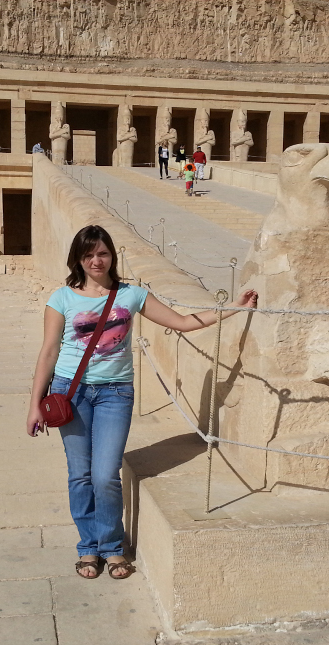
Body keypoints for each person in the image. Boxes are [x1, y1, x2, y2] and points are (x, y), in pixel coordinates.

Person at [26, 225, 258, 580]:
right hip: (70, 393)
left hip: (114, 393)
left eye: (102, 253)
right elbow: (48, 351)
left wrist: (233, 308)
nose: (96, 261)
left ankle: (112, 547)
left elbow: (181, 322)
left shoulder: (130, 295)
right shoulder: (61, 298)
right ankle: (88, 547)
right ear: (78, 258)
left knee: (105, 475)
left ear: (112, 256)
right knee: (80, 474)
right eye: (88, 255)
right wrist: (33, 405)